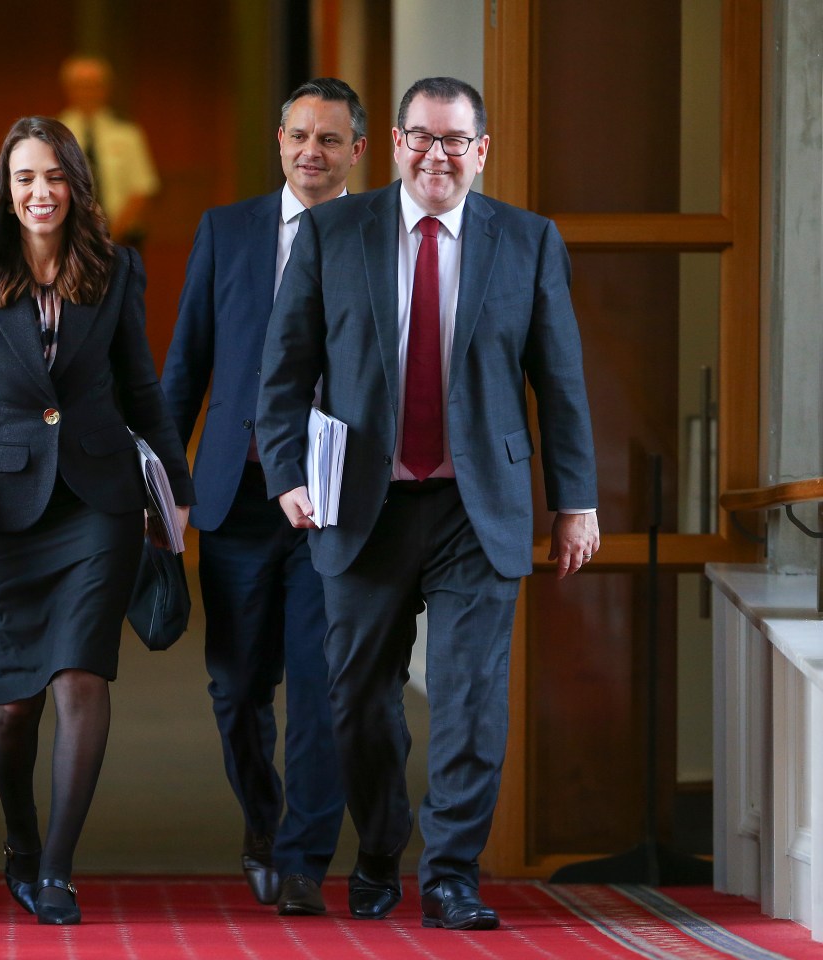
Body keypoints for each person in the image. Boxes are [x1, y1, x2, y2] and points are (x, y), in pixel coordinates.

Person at [256, 77, 600, 930]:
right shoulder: (336, 232)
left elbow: (559, 383)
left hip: (476, 506)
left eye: (454, 140)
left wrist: (577, 500)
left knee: (470, 696)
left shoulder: (526, 241)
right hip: (361, 502)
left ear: (481, 150)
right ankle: (379, 845)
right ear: (397, 144)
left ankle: (452, 874)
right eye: (420, 137)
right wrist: (286, 471)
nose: (435, 155)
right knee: (357, 698)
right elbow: (285, 366)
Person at [0, 116, 192, 926]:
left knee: (82, 673)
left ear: (76, 185)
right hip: (2, 512)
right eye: (23, 179)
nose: (39, 193)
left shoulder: (115, 272)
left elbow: (142, 389)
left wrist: (174, 490)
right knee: (13, 707)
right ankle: (19, 836)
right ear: (6, 193)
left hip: (97, 503)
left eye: (53, 177)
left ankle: (56, 869)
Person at [161, 78, 406, 920]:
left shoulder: (381, 237)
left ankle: (303, 859)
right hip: (236, 496)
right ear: (278, 141)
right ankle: (264, 824)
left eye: (331, 139)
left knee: (319, 681)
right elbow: (186, 365)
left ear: (358, 152)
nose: (313, 151)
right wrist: (171, 486)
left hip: (335, 500)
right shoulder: (227, 232)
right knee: (235, 688)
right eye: (300, 135)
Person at [58, 55, 160, 247]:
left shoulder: (127, 133)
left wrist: (110, 234)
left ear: (106, 89)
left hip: (123, 239)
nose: (87, 93)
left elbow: (142, 188)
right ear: (68, 89)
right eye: (80, 85)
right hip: (69, 240)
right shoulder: (53, 133)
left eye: (94, 86)